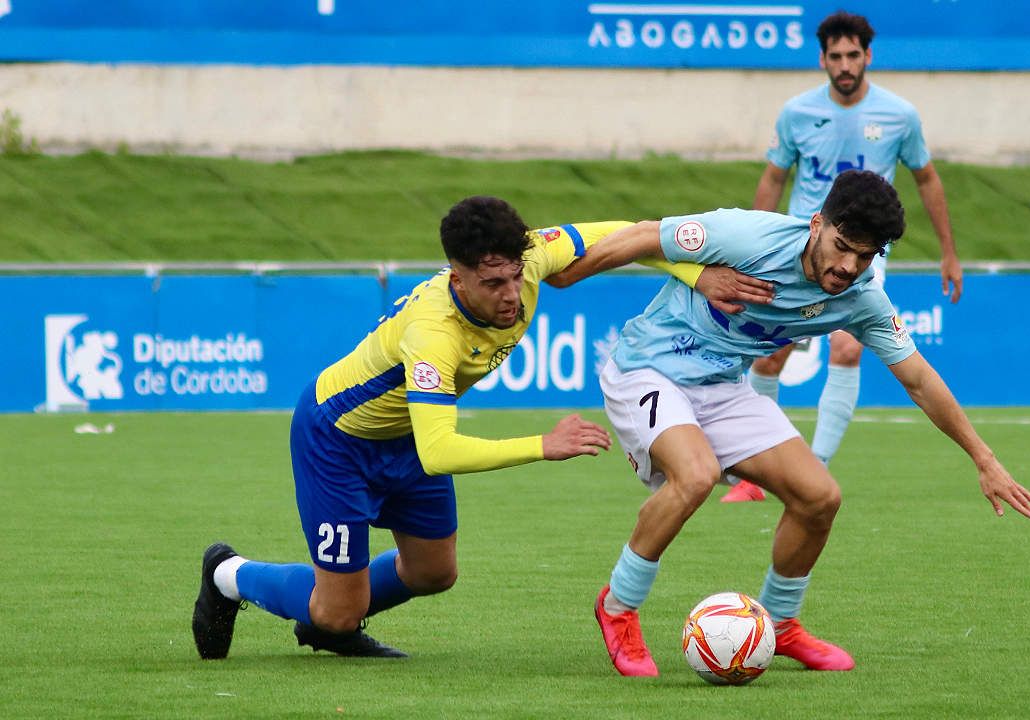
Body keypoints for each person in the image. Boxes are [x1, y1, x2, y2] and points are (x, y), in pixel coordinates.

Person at [191, 196, 774, 659]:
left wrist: (696, 273)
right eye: (492, 283)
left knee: (434, 572)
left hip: (405, 439)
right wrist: (542, 446)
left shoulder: (529, 259)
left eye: (516, 276)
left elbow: (632, 232)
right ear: (458, 277)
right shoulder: (433, 334)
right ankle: (229, 576)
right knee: (337, 613)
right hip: (338, 442)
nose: (511, 295)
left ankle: (335, 605)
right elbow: (440, 449)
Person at [551, 169, 1030, 677]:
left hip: (722, 388)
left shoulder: (863, 297)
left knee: (819, 497)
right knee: (694, 476)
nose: (848, 266)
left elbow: (918, 378)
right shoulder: (747, 236)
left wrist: (985, 459)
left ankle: (780, 624)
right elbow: (646, 233)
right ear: (816, 224)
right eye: (842, 246)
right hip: (647, 369)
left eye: (865, 256)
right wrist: (568, 275)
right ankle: (618, 607)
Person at [725, 10, 963, 503]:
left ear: (868, 56)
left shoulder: (900, 115)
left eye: (853, 55)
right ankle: (757, 477)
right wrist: (746, 246)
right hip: (798, 248)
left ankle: (816, 470)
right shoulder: (796, 114)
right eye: (835, 56)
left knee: (848, 346)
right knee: (768, 358)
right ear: (823, 59)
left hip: (861, 256)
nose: (845, 64)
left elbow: (927, 180)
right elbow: (774, 178)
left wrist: (949, 254)